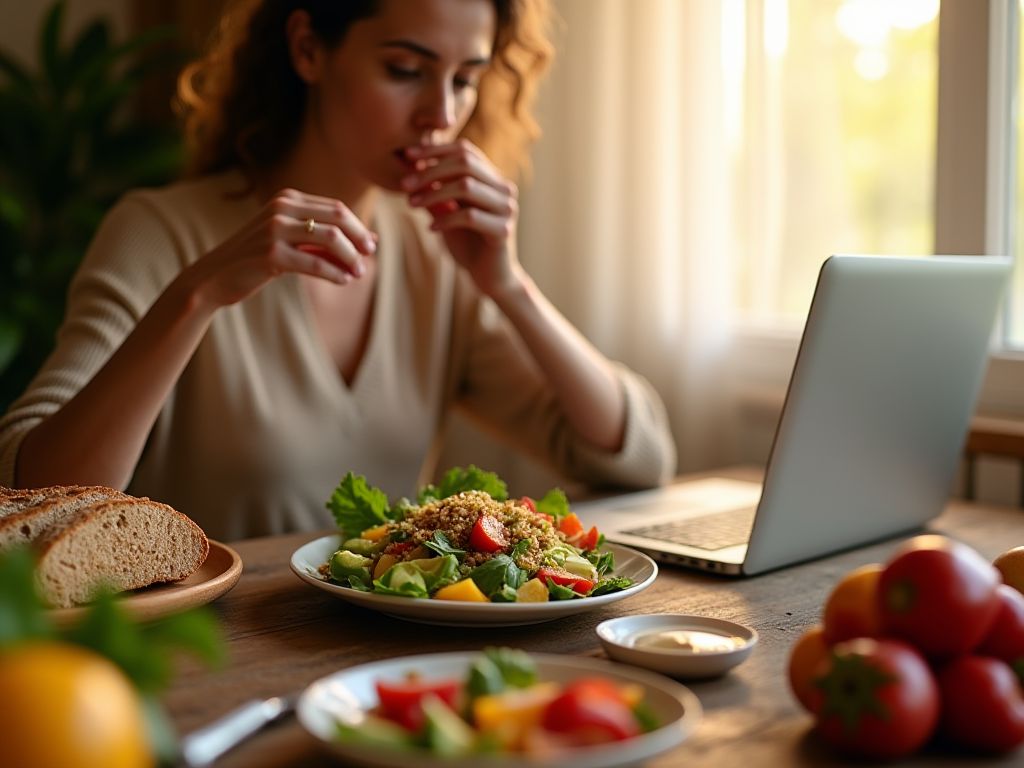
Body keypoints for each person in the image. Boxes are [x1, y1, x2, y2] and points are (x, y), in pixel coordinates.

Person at [0, 0, 676, 541]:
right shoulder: (159, 231)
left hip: (374, 672)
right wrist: (199, 296)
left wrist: (509, 286)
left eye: (464, 80)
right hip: (205, 667)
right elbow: (36, 491)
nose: (441, 116)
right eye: (406, 70)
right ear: (308, 49)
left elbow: (636, 457)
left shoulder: (433, 255)